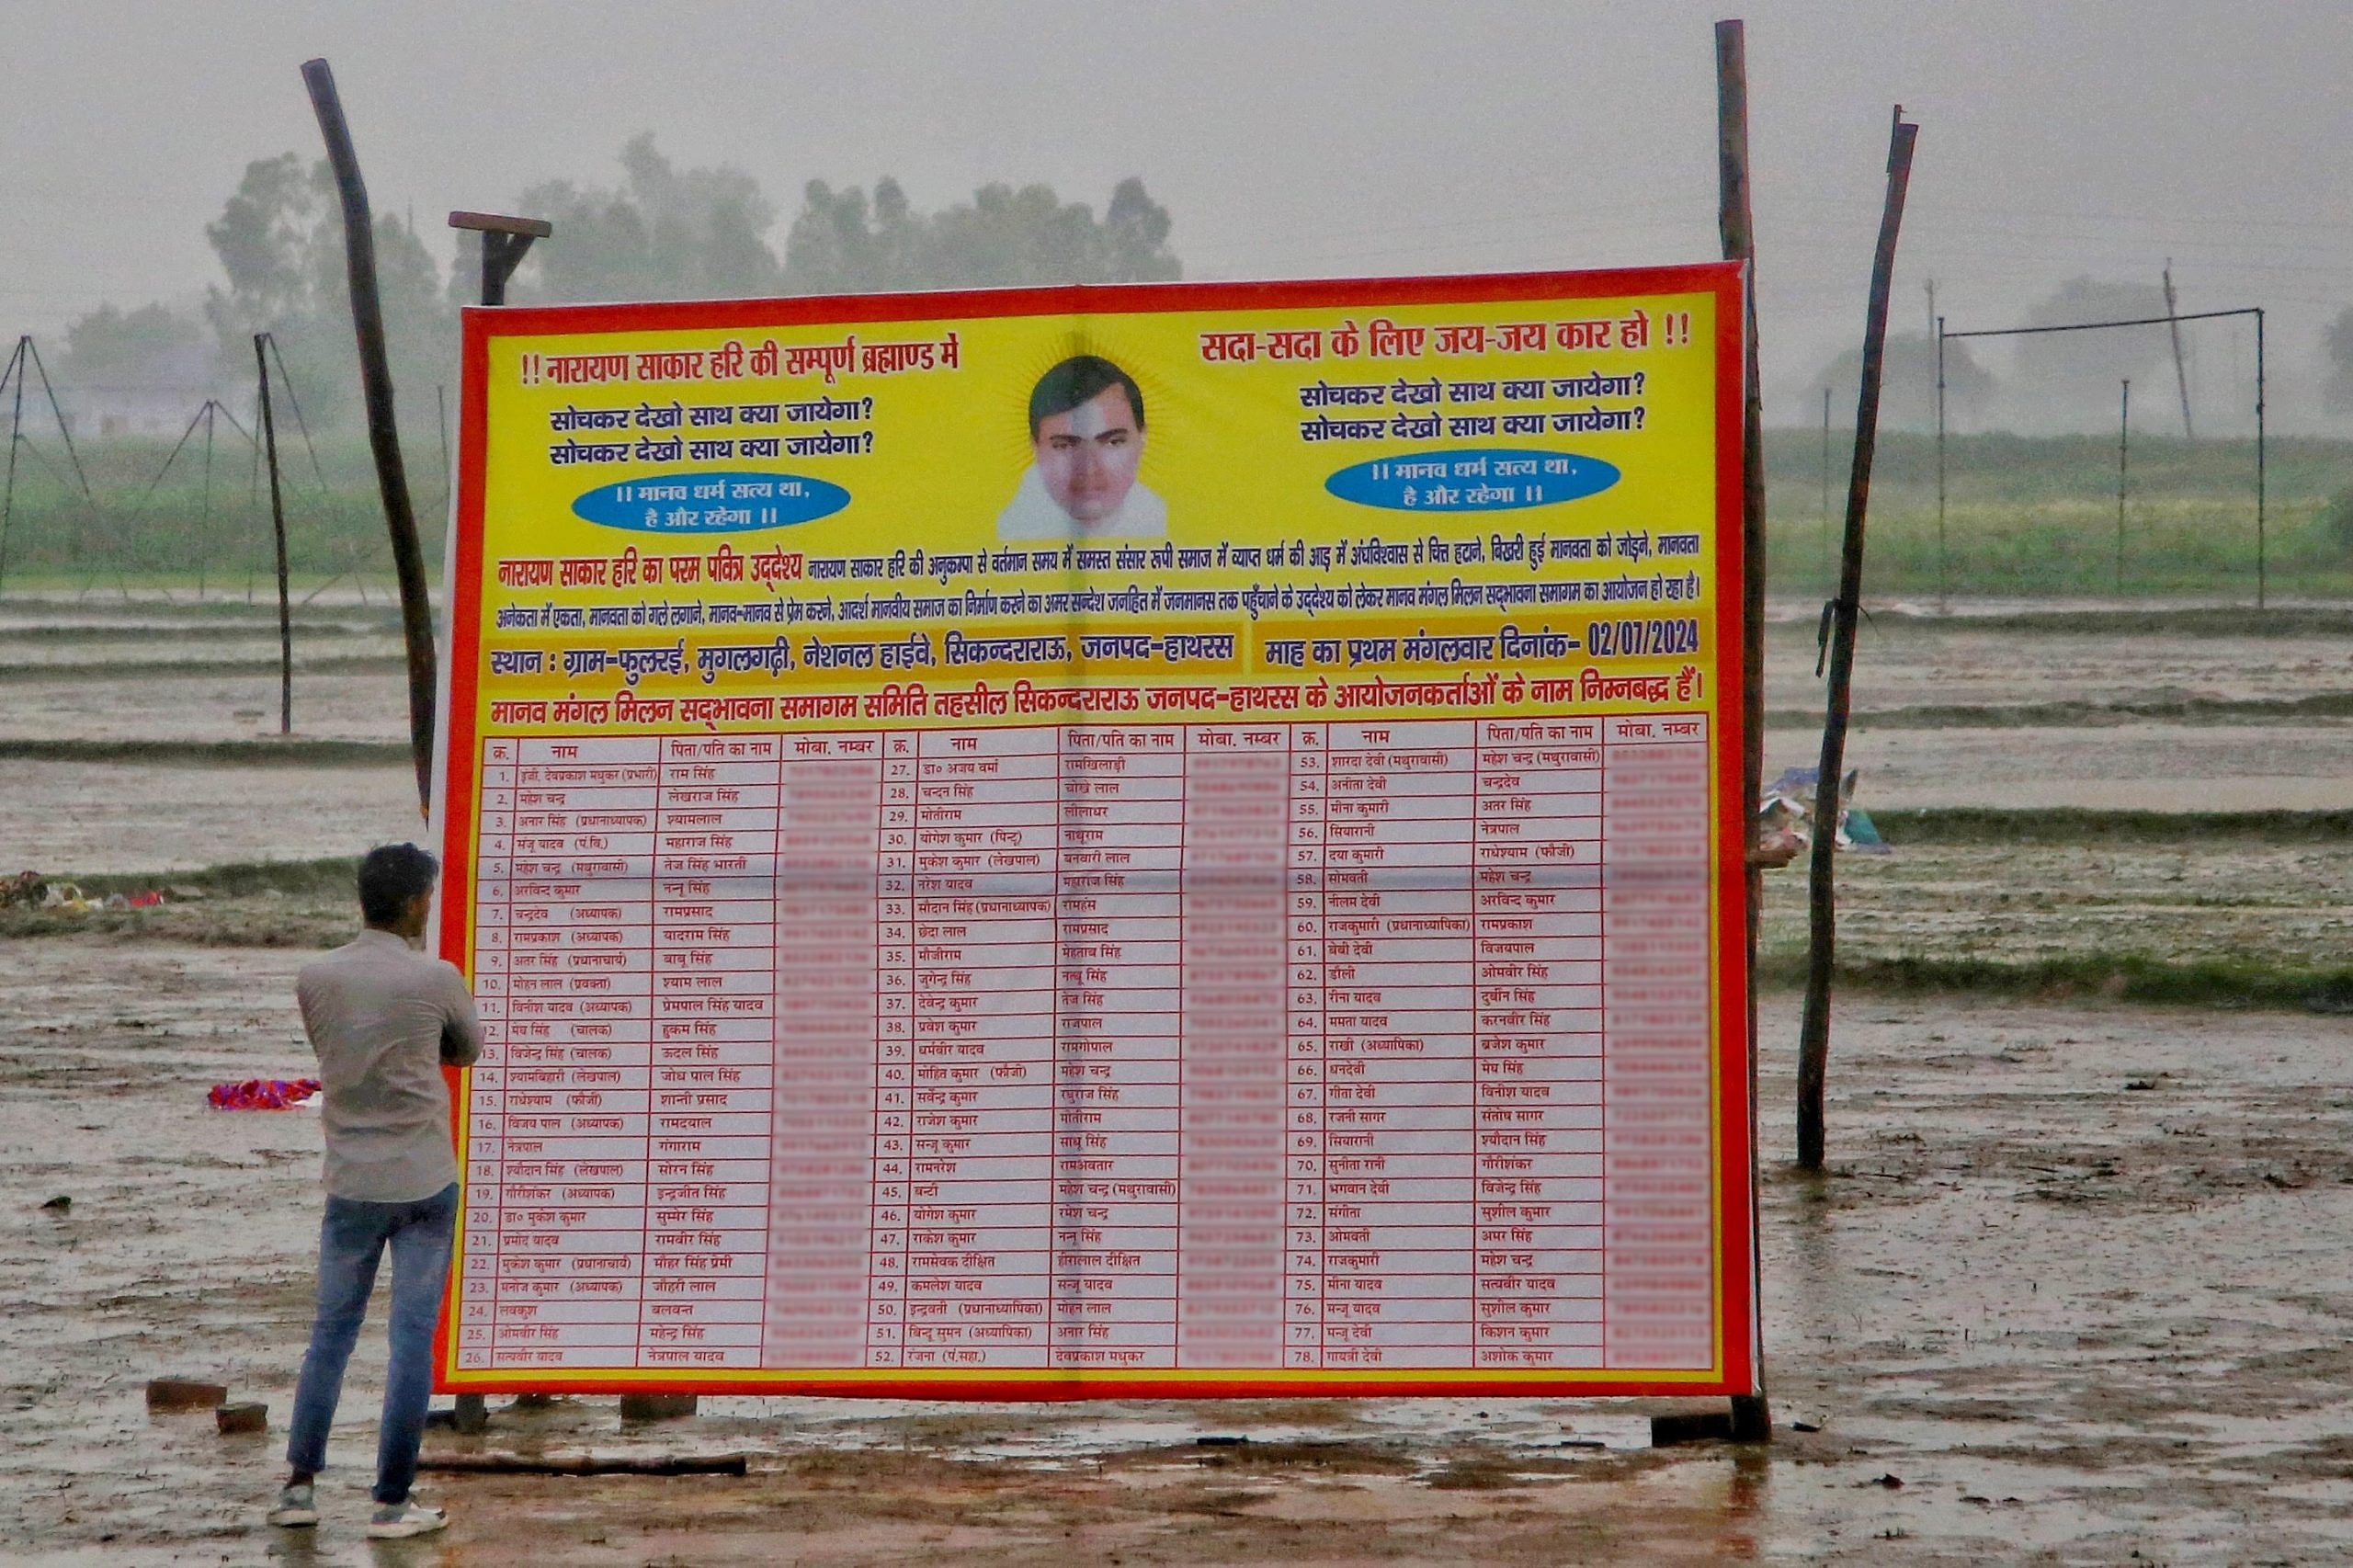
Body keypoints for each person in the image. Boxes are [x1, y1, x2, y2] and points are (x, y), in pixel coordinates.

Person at [266, 843, 480, 1539]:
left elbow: (333, 1051)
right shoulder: (436, 976)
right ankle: (391, 1501)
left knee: (330, 1333)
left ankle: (299, 1488)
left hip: (351, 1180)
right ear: (418, 901)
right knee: (411, 1338)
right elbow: (467, 1049)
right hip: (423, 1178)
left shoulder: (315, 976)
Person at [996, 354, 1166, 540]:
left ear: (1142, 439)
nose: (1088, 468)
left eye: (1113, 442)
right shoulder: (1011, 530)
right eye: (1064, 446)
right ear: (1035, 447)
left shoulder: (1161, 521)